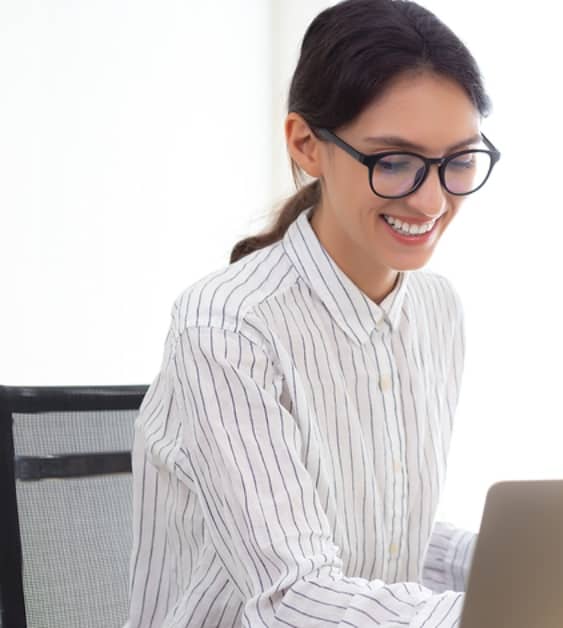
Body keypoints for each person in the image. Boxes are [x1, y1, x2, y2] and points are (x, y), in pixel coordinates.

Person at [125, 0, 499, 625]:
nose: (433, 200)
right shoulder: (226, 326)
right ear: (306, 144)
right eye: (395, 162)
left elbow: (373, 528)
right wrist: (506, 611)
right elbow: (291, 597)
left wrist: (521, 568)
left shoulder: (437, 310)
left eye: (458, 160)